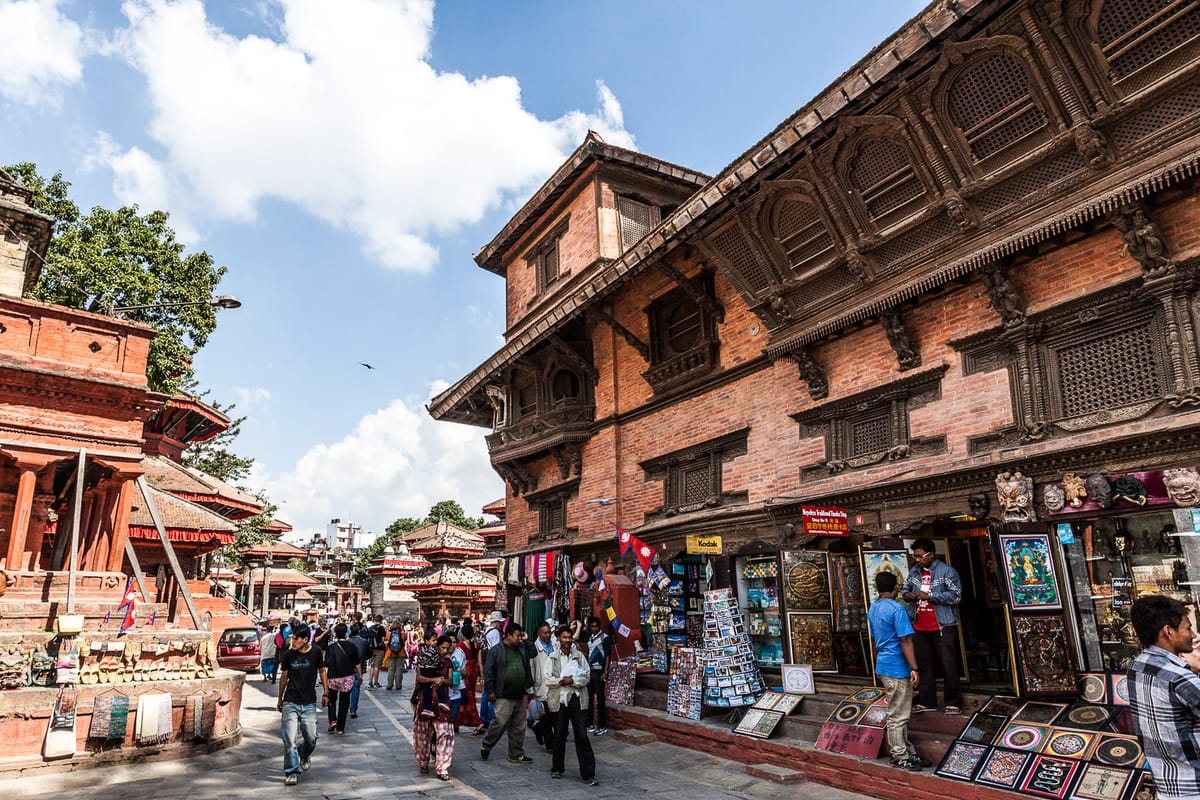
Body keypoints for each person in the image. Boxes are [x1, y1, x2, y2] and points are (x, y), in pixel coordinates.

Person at [1128, 595, 1200, 800]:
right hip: (1193, 787)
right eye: (1187, 628)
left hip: (1167, 786)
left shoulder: (1137, 666)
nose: (1193, 635)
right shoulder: (1179, 677)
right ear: (1168, 631)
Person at [869, 571, 930, 771]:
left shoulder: (874, 608)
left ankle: (907, 751)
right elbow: (905, 640)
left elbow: (874, 640)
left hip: (884, 664)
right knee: (898, 714)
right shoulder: (897, 609)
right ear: (895, 588)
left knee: (900, 710)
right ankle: (899, 754)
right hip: (896, 666)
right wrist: (914, 667)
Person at [902, 537, 963, 715]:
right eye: (915, 556)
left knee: (948, 664)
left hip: (942, 625)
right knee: (924, 665)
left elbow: (957, 596)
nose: (918, 560)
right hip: (919, 625)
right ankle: (927, 701)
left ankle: (953, 702)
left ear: (931, 555)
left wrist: (931, 596)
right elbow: (905, 589)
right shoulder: (914, 572)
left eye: (920, 556)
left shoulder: (947, 572)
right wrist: (908, 596)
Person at [276, 623, 328, 787]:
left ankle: (304, 754)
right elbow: (284, 676)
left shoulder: (316, 652)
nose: (293, 641)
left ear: (306, 639)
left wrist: (326, 692)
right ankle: (291, 771)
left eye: (296, 638)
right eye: (292, 638)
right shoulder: (289, 655)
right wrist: (280, 699)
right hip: (291, 701)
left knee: (311, 738)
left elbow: (322, 671)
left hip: (309, 702)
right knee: (289, 740)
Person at [546, 624, 597, 783]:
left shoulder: (579, 656)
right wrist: (562, 681)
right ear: (559, 639)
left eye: (569, 637)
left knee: (581, 735)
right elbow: (548, 679)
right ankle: (557, 768)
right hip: (561, 699)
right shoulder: (552, 657)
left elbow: (586, 676)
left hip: (578, 699)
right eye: (564, 637)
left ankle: (588, 774)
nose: (567, 640)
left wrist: (573, 680)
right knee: (560, 735)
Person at [480, 622, 534, 764]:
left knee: (519, 725)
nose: (519, 639)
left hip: (520, 693)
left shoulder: (522, 648)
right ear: (508, 635)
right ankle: (487, 745)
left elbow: (533, 653)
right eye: (517, 636)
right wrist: (490, 690)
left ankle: (516, 753)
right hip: (503, 693)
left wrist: (527, 640)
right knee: (500, 722)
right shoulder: (496, 650)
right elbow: (489, 671)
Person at [412, 635, 457, 781]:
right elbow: (419, 678)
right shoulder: (425, 659)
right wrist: (433, 680)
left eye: (447, 648)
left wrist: (442, 680)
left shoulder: (448, 662)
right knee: (423, 733)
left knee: (445, 734)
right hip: (425, 699)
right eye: (442, 647)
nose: (444, 651)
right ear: (436, 646)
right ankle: (423, 761)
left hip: (442, 702)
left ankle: (442, 767)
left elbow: (451, 681)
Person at [323, 623, 360, 734]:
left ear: (335, 634)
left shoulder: (331, 647)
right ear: (346, 632)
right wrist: (360, 676)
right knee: (344, 702)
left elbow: (327, 663)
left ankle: (332, 720)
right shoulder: (352, 646)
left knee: (332, 699)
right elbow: (357, 663)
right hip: (347, 677)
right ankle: (340, 728)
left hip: (333, 677)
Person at [529, 621, 556, 748]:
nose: (547, 635)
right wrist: (532, 687)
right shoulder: (535, 648)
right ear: (539, 634)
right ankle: (549, 742)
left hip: (554, 684)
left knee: (551, 714)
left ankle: (538, 727)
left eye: (549, 632)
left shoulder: (554, 645)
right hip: (541, 684)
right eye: (545, 633)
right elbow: (532, 668)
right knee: (546, 713)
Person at [414, 628, 451, 718]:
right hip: (430, 671)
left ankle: (427, 709)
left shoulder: (421, 649)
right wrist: (436, 679)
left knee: (427, 689)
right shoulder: (433, 651)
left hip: (424, 670)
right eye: (433, 640)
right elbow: (419, 677)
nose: (435, 642)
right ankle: (442, 701)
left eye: (436, 640)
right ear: (427, 641)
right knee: (435, 685)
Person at [477, 612, 505, 731]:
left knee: (485, 692)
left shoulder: (486, 630)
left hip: (486, 663)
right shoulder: (495, 633)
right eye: (500, 623)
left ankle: (484, 718)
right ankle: (491, 717)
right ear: (497, 622)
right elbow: (496, 650)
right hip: (492, 664)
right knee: (492, 691)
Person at [454, 621, 484, 734]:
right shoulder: (477, 645)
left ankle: (477, 721)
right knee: (469, 694)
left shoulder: (460, 645)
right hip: (474, 670)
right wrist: (482, 676)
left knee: (464, 695)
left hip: (465, 671)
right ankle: (457, 721)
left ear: (462, 634)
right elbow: (480, 662)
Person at [585, 616, 612, 735]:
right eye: (592, 626)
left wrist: (605, 671)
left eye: (596, 626)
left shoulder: (605, 638)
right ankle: (590, 723)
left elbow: (607, 656)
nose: (594, 628)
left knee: (600, 699)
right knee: (589, 698)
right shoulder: (589, 639)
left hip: (599, 671)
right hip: (590, 670)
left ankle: (602, 725)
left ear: (599, 627)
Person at [347, 622, 371, 719]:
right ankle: (353, 709)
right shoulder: (364, 641)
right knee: (356, 687)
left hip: (348, 667)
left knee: (347, 689)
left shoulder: (348, 642)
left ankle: (346, 706)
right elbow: (369, 654)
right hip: (359, 666)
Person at [386, 619, 406, 690]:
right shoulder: (403, 633)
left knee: (391, 669)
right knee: (399, 669)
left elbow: (387, 641)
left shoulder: (388, 633)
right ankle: (398, 685)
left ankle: (389, 685)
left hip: (390, 653)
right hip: (401, 653)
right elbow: (404, 641)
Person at [368, 614, 386, 688]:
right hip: (379, 649)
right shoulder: (381, 628)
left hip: (372, 648)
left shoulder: (371, 627)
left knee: (372, 665)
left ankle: (370, 682)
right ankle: (376, 682)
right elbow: (383, 640)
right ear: (381, 620)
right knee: (377, 666)